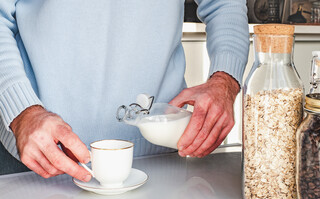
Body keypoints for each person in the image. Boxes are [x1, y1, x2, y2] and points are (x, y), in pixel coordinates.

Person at [0, 0, 249, 181]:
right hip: (34, 156)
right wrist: (23, 113)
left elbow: (224, 4)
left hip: (159, 161)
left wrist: (224, 82)